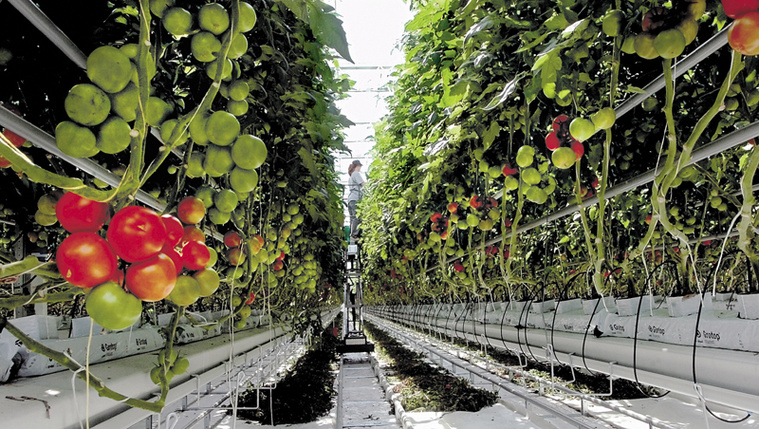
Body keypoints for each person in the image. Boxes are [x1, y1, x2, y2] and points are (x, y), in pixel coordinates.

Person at [347, 160, 365, 241]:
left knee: (352, 218)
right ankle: (354, 235)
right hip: (355, 198)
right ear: (358, 166)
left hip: (351, 199)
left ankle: (352, 235)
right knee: (357, 217)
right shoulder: (356, 173)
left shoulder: (351, 176)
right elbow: (363, 184)